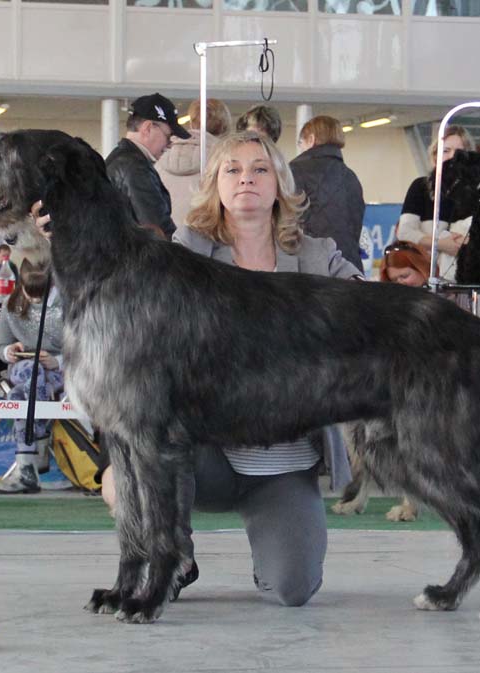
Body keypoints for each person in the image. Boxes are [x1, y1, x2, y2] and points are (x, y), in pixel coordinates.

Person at [102, 131, 362, 607]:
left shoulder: (316, 255)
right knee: (123, 476)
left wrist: (462, 325)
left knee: (294, 589)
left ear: (280, 184)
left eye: (260, 168)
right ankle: (174, 557)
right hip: (208, 457)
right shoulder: (186, 251)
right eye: (233, 169)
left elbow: (381, 307)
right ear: (214, 185)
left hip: (285, 462)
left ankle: (273, 542)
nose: (247, 178)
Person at [380, 239, 480, 365]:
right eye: (394, 280)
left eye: (404, 276)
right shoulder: (394, 304)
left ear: (422, 268)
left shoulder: (452, 292)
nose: (400, 283)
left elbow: (470, 324)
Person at [0, 259, 65, 494]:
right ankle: (39, 442)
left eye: (40, 294)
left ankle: (26, 470)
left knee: (20, 394)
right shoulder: (10, 305)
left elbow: (87, 347)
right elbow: (2, 346)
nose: (33, 300)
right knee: (32, 373)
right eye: (29, 293)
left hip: (58, 371)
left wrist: (59, 361)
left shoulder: (68, 303)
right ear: (20, 285)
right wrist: (9, 352)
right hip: (24, 368)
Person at [105, 93, 190, 240]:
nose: (170, 145)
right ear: (148, 128)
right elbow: (156, 230)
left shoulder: (120, 159)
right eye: (168, 136)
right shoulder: (134, 168)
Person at [397, 125, 474, 281]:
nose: (452, 157)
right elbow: (405, 232)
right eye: (446, 151)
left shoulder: (475, 193)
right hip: (426, 277)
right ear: (434, 156)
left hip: (464, 278)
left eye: (459, 152)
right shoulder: (421, 187)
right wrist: (442, 244)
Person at [290, 115, 365, 270]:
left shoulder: (294, 171)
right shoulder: (350, 176)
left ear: (311, 139)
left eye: (300, 142)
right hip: (349, 266)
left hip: (312, 267)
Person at [157, 98, 232, 226]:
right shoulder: (227, 161)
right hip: (208, 238)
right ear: (225, 126)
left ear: (191, 122)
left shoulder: (159, 159)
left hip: (166, 240)